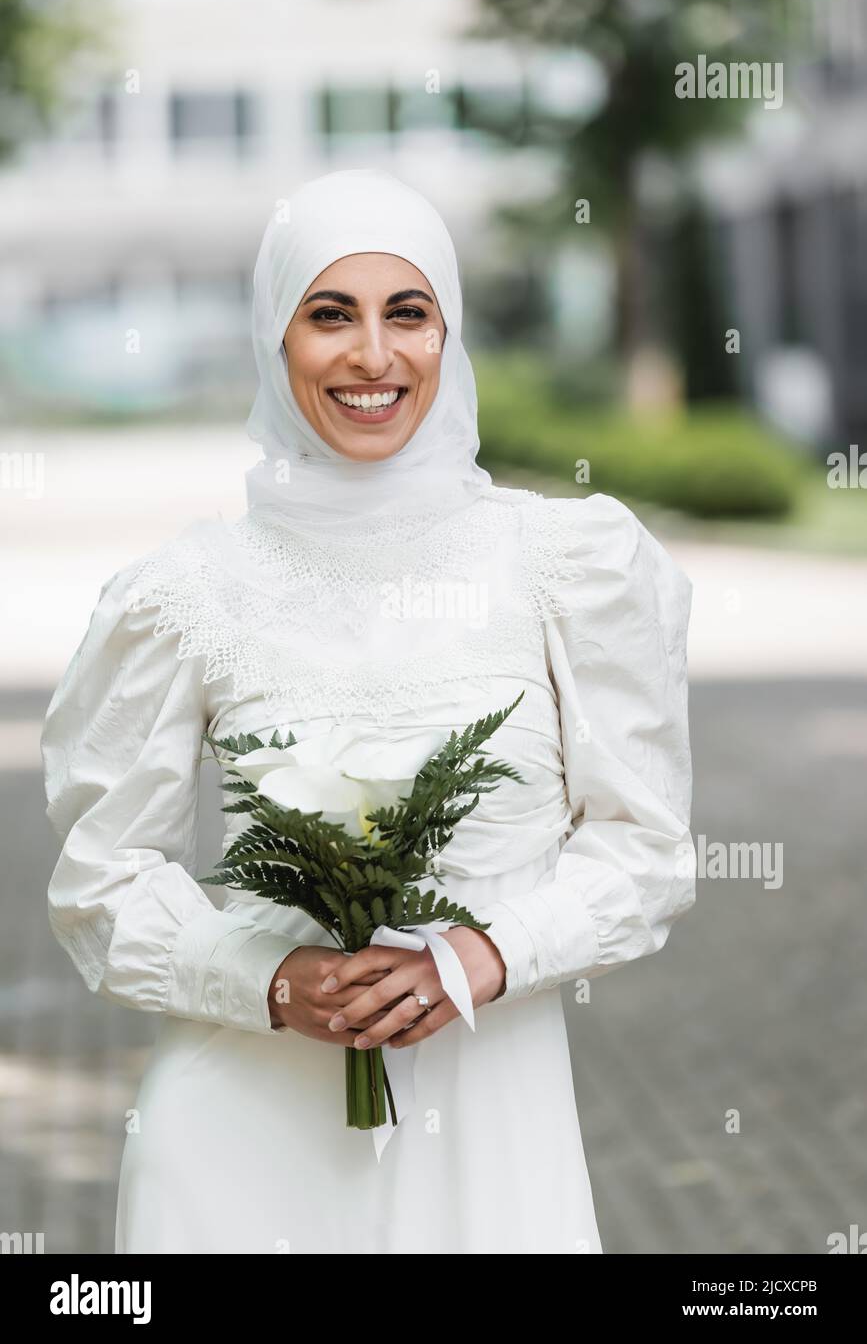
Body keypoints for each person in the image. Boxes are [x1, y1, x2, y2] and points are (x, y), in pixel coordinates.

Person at [40, 167, 697, 1254]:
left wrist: (484, 955)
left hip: (490, 1133)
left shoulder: (564, 568)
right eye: (328, 314)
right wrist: (273, 981)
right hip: (238, 1146)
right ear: (274, 337)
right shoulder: (185, 592)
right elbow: (101, 882)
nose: (373, 356)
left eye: (409, 313)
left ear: (450, 334)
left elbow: (646, 850)